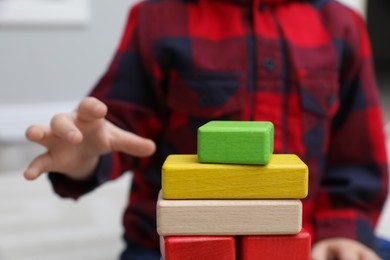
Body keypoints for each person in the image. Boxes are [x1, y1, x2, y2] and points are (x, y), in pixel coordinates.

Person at [24, 0, 389, 259]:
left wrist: (344, 230)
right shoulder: (157, 18)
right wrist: (83, 156)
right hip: (168, 242)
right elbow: (115, 131)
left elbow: (357, 157)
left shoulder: (342, 25)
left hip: (300, 239)